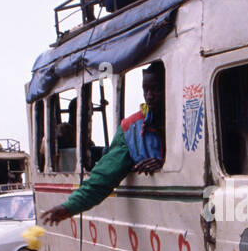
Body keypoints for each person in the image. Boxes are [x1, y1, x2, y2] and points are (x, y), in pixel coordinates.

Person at [41, 61, 164, 224]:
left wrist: (163, 163)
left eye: (155, 89)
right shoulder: (131, 129)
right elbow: (104, 176)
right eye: (145, 90)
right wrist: (69, 207)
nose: (149, 96)